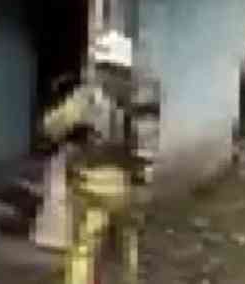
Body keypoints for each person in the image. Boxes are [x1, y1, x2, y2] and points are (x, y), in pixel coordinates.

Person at [39, 31, 160, 284]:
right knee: (127, 251)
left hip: (90, 182)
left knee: (84, 247)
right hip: (126, 186)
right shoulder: (144, 95)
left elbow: (52, 127)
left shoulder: (88, 97)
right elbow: (147, 146)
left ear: (100, 65)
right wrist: (142, 183)